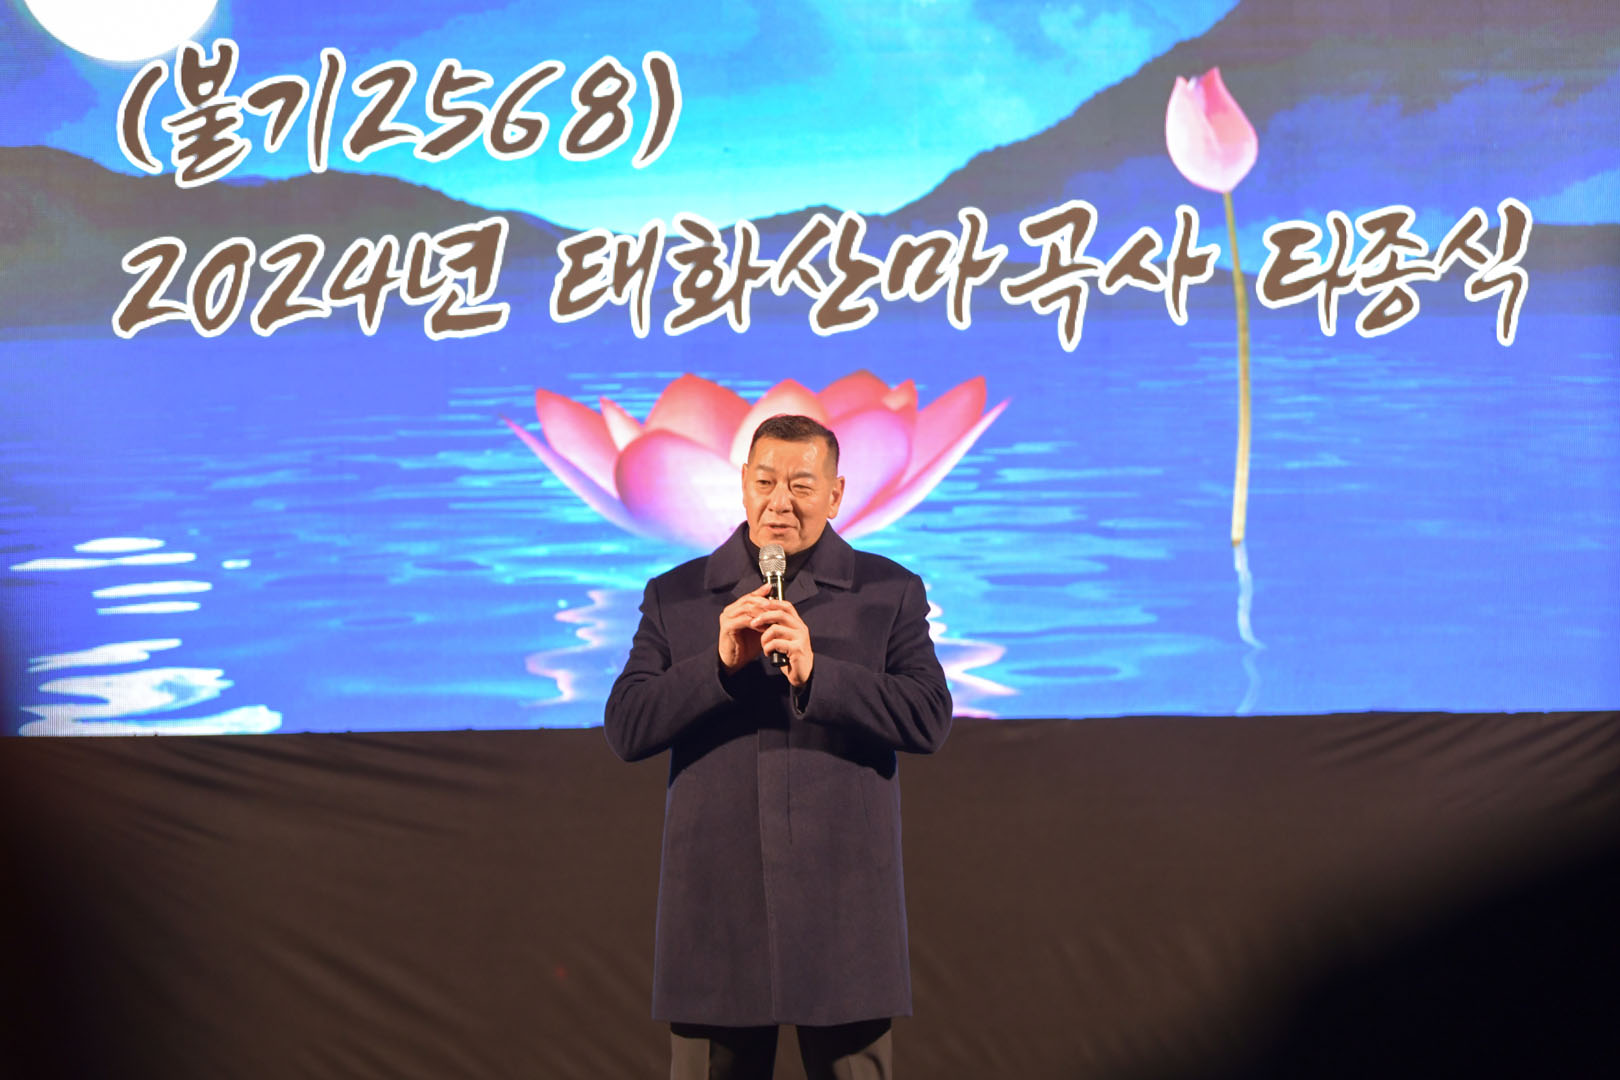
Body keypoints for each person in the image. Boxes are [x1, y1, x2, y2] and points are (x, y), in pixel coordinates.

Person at [604, 413, 953, 1080]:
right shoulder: (678, 596)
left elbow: (929, 717)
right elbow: (626, 726)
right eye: (765, 482)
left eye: (801, 485)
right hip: (717, 911)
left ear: (836, 494)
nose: (779, 502)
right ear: (743, 485)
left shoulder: (889, 593)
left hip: (844, 909)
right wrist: (716, 666)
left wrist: (821, 674)